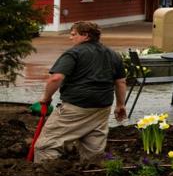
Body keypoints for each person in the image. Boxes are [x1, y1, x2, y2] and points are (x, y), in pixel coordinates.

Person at [34, 21, 128, 164]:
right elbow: (120, 82)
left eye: (73, 34)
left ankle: (45, 175)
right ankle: (91, 175)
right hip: (102, 107)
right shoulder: (113, 54)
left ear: (85, 35)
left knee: (46, 146)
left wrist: (46, 98)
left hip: (76, 106)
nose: (70, 38)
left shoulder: (74, 53)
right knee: (93, 147)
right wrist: (120, 105)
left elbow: (56, 78)